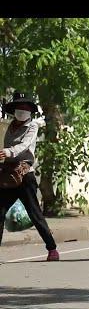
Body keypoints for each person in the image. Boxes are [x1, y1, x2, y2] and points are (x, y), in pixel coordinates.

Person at [0, 92, 59, 261]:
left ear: (30, 112)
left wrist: (8, 152)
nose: (22, 111)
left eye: (26, 108)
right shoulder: (10, 126)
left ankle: (52, 248)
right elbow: (7, 147)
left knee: (34, 213)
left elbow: (25, 146)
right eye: (20, 108)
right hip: (8, 176)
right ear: (14, 110)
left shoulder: (33, 126)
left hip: (25, 176)